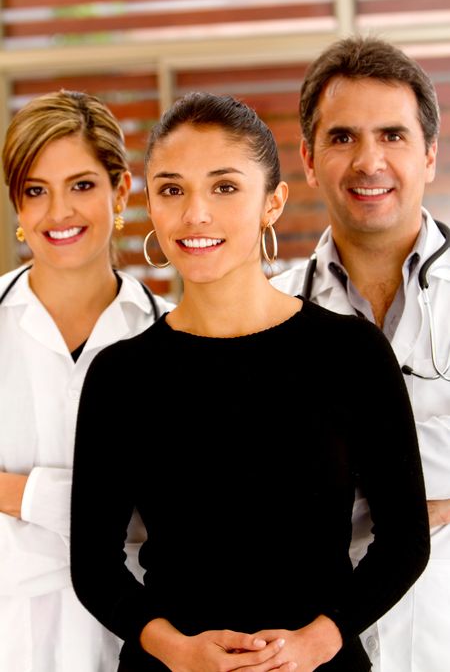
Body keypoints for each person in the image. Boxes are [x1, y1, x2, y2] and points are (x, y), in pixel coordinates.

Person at [70, 90, 429, 672]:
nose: (196, 214)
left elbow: (405, 542)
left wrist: (316, 642)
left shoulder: (351, 352)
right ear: (150, 209)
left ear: (273, 202)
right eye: (171, 189)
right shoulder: (119, 375)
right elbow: (94, 567)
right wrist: (178, 652)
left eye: (225, 186)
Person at [271, 36, 450, 671]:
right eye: (343, 137)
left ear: (430, 152)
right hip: (312, 644)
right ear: (310, 160)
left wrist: (345, 461)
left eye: (393, 136)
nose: (369, 161)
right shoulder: (267, 310)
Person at [0, 89, 173, 672]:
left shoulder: (170, 335)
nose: (59, 213)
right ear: (17, 208)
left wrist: (18, 494)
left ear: (121, 190)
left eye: (81, 185)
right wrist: (87, 504)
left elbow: (188, 503)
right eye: (35, 191)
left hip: (130, 636)